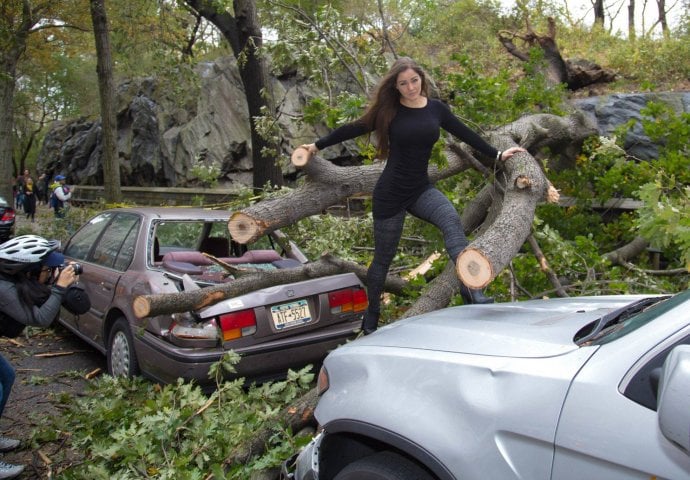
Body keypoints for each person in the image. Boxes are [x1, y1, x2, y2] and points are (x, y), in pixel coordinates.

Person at [299, 57, 525, 335]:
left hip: (420, 189)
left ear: (422, 79)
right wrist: (316, 145)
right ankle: (371, 318)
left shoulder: (436, 110)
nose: (410, 87)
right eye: (403, 83)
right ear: (395, 87)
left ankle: (472, 291)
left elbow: (466, 133)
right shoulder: (388, 112)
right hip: (390, 195)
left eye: (414, 81)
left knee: (452, 223)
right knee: (383, 259)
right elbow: (353, 127)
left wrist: (498, 154)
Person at [0, 235, 79, 479]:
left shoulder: (11, 280)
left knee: (7, 376)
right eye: (47, 269)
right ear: (27, 269)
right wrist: (60, 288)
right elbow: (40, 318)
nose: (51, 272)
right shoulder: (4, 288)